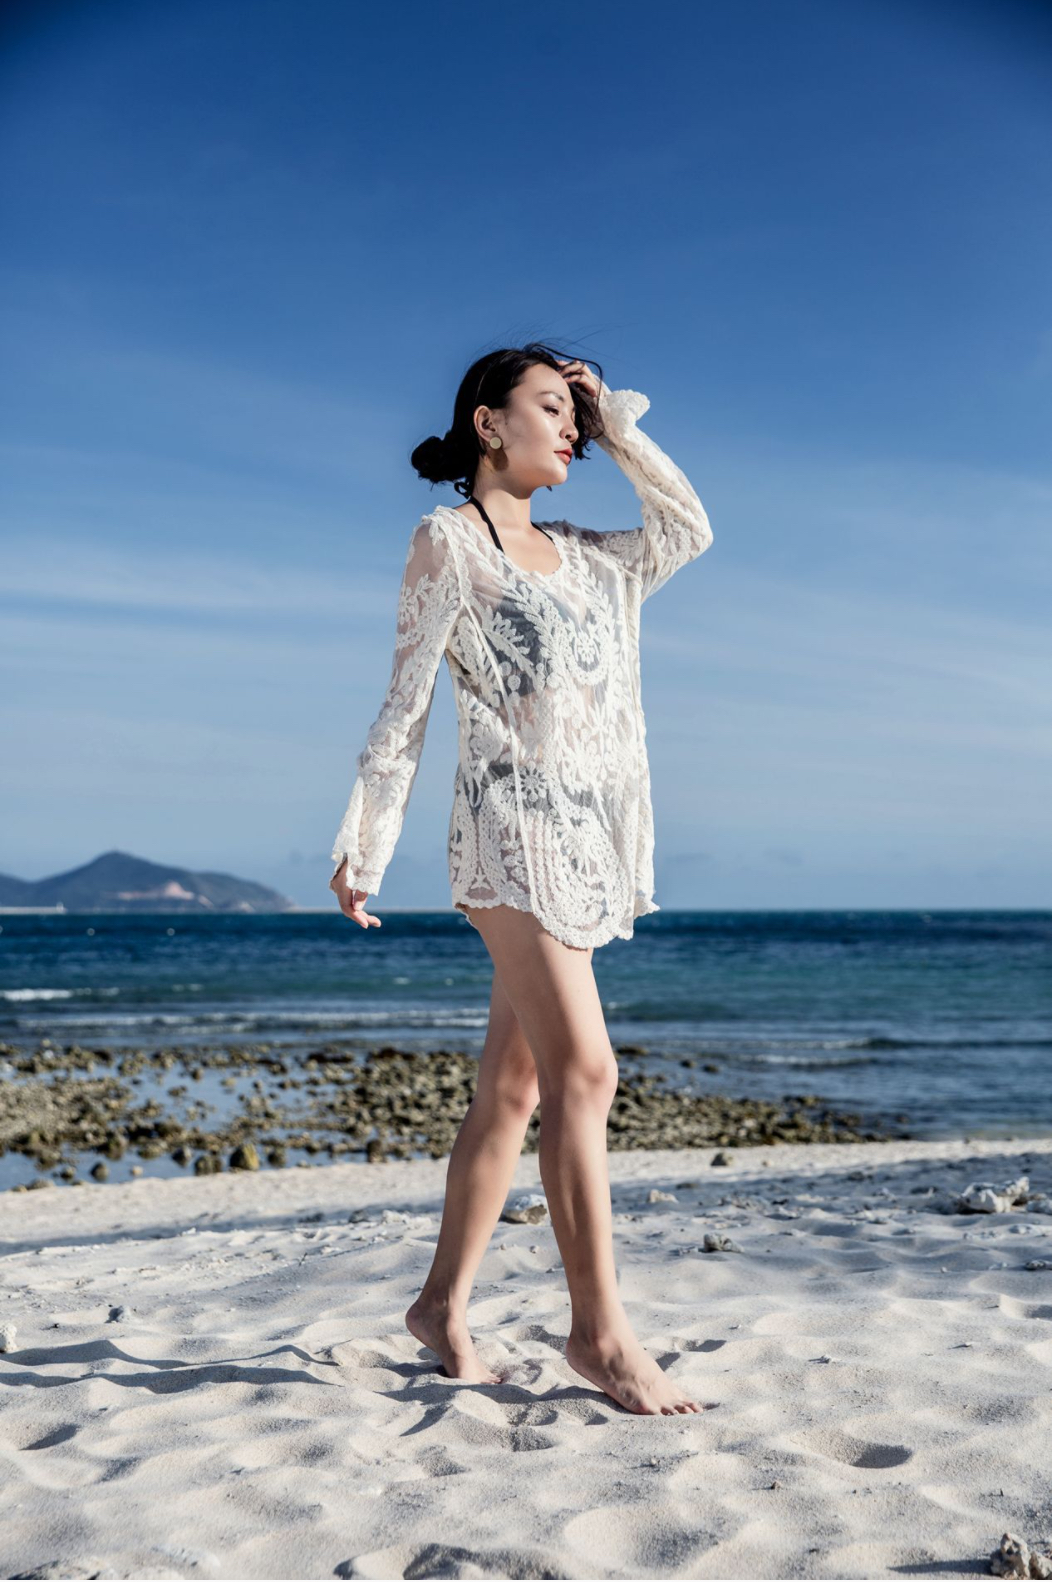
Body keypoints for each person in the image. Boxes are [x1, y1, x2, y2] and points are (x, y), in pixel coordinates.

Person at [329, 343, 714, 1415]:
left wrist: (615, 421)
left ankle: (438, 1306)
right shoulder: (448, 542)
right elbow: (406, 700)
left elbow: (686, 528)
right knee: (587, 1072)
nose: (571, 426)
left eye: (574, 410)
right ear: (487, 423)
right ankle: (600, 1334)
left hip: (587, 843)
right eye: (551, 405)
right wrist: (366, 842)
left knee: (515, 1087)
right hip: (508, 838)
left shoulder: (591, 557)